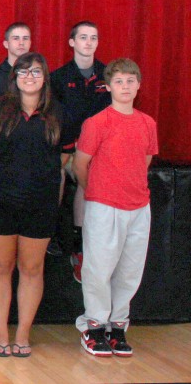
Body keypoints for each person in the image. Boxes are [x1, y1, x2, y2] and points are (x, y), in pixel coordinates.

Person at [0, 52, 71, 358]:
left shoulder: (59, 112)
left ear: (45, 76)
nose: (29, 77)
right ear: (14, 77)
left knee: (32, 268)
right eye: (23, 71)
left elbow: (63, 160)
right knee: (0, 266)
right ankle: (1, 333)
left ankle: (22, 334)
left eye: (35, 72)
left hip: (40, 203)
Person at [74, 58, 156, 357]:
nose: (125, 86)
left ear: (138, 85)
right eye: (119, 81)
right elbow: (80, 165)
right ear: (108, 86)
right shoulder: (97, 123)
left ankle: (117, 326)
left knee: (130, 270)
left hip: (138, 207)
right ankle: (94, 326)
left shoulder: (148, 123)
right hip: (103, 206)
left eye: (131, 81)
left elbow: (144, 162)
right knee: (99, 268)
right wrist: (96, 192)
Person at [50, 21, 112, 280]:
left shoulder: (108, 75)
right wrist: (69, 146)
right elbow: (53, 119)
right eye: (83, 37)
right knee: (58, 174)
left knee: (91, 174)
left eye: (93, 38)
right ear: (72, 42)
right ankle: (51, 230)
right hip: (67, 147)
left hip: (98, 150)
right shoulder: (58, 78)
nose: (88, 42)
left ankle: (82, 245)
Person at [0, 22, 32, 109]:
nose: (21, 43)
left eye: (25, 38)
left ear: (30, 43)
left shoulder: (38, 75)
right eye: (16, 38)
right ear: (6, 44)